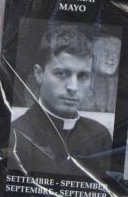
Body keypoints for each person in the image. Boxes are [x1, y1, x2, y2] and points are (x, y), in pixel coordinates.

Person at [8, 27, 113, 178]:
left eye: (82, 76)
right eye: (61, 74)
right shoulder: (16, 135)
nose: (73, 87)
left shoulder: (100, 135)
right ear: (39, 74)